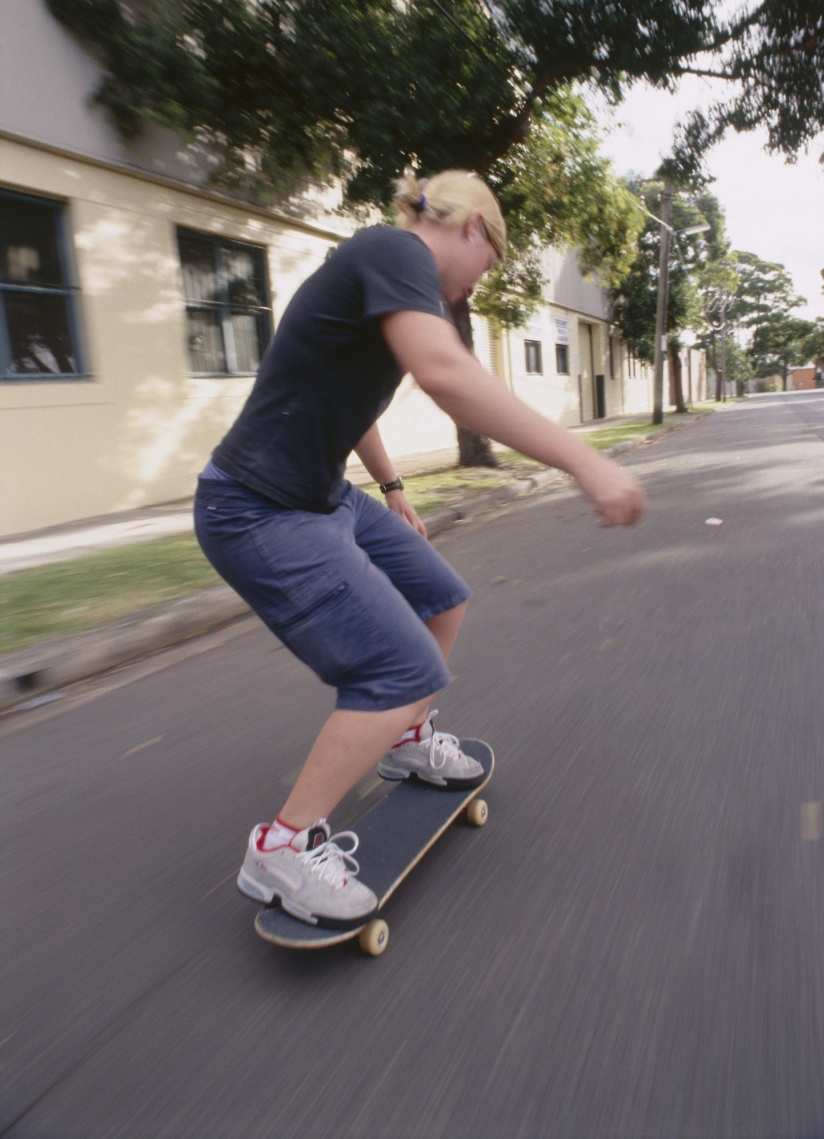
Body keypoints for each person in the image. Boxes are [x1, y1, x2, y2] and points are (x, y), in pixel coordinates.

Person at [194, 168, 644, 930]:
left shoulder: (384, 277)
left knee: (444, 597)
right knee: (402, 667)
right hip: (256, 508)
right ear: (473, 230)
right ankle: (280, 847)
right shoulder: (394, 253)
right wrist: (584, 458)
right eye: (488, 267)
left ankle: (403, 740)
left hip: (323, 494)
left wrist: (393, 484)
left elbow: (347, 394)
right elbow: (443, 371)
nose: (472, 290)